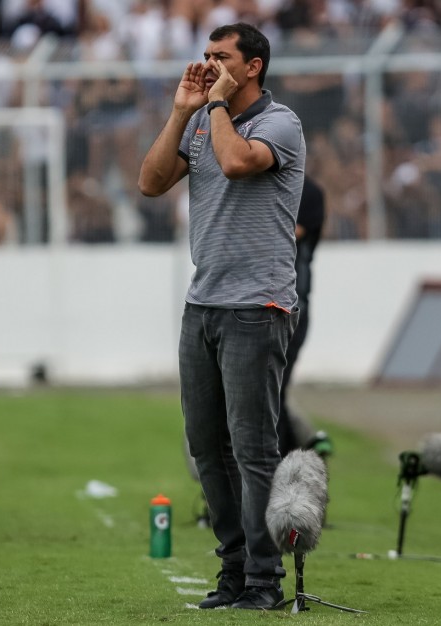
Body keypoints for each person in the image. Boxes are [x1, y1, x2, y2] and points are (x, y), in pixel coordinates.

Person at [138, 23, 305, 610]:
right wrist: (182, 110)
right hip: (203, 304)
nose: (208, 64)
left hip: (257, 308)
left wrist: (211, 104)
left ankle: (264, 579)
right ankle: (233, 570)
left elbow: (236, 164)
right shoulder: (203, 117)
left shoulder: (279, 122)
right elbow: (151, 181)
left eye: (222, 56)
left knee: (252, 449)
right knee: (206, 447)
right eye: (206, 55)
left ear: (253, 66)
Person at [277, 175, 326, 457]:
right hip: (280, 303)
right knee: (270, 395)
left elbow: (292, 233)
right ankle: (295, 452)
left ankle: (287, 456)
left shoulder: (308, 191)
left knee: (272, 394)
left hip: (290, 307)